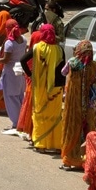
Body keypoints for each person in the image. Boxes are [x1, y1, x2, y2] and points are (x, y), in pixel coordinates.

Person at [60, 40, 96, 170]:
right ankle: (88, 159)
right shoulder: (95, 66)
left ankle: (70, 159)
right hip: (89, 104)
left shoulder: (72, 63)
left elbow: (63, 72)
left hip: (73, 104)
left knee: (71, 128)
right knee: (88, 128)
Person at [30, 24, 65, 152]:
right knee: (55, 117)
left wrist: (30, 74)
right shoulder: (59, 50)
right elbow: (63, 70)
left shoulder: (37, 48)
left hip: (41, 88)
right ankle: (56, 145)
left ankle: (40, 145)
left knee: (40, 115)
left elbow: (23, 60)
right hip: (56, 89)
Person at [0, 18, 28, 133]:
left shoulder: (9, 43)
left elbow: (5, 59)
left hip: (11, 72)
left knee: (11, 98)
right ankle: (22, 121)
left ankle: (16, 123)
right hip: (20, 71)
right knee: (19, 97)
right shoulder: (23, 39)